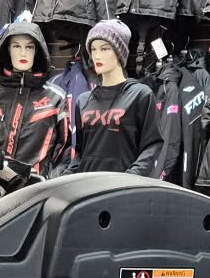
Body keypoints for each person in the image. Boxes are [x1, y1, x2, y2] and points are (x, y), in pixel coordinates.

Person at [0, 17, 69, 199]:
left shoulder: (55, 98)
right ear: (7, 49)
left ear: (37, 50)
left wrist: (49, 184)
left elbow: (66, 151)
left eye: (29, 47)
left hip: (35, 193)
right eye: (16, 46)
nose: (23, 53)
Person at [70, 18, 163, 178]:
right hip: (88, 186)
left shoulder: (140, 95)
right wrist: (67, 178)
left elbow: (152, 146)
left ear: (119, 52)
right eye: (93, 49)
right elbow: (79, 152)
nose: (97, 56)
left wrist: (129, 178)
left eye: (105, 49)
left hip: (123, 187)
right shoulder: (83, 101)